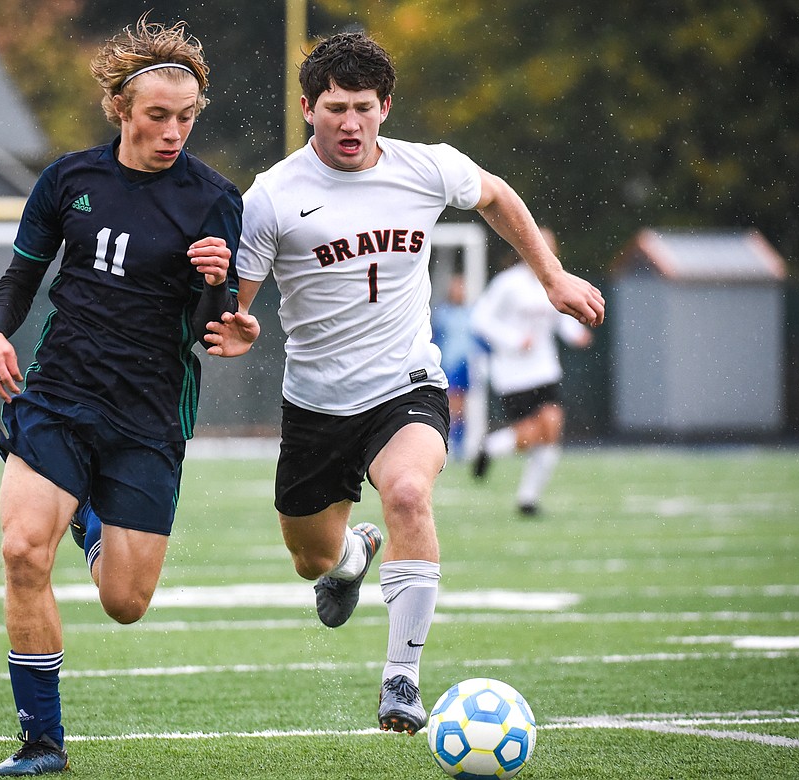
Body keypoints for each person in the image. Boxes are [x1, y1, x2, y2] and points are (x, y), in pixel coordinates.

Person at [204, 32, 604, 736]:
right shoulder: (271, 197)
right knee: (311, 559)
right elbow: (237, 304)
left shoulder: (429, 168)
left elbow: (498, 196)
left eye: (362, 106)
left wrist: (552, 276)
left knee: (411, 493)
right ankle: (353, 554)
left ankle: (402, 681)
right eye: (334, 108)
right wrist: (235, 326)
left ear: (386, 106)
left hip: (406, 384)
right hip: (318, 402)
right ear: (307, 108)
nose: (349, 123)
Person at [0, 16, 242, 776]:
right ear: (121, 110)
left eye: (186, 119)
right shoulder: (69, 180)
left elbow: (206, 329)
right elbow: (19, 278)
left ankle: (88, 514)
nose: (173, 133)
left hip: (148, 414)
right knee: (22, 550)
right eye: (158, 117)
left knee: (125, 602)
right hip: (59, 393)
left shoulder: (216, 200)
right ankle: (41, 745)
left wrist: (216, 285)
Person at [469, 229, 593, 516]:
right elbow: (480, 319)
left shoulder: (556, 283)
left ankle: (528, 500)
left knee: (552, 426)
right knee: (531, 435)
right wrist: (513, 340)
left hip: (545, 370)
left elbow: (561, 319)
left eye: (550, 247)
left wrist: (577, 333)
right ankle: (491, 446)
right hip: (512, 374)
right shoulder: (507, 283)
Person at [431, 273, 474, 459]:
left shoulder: (471, 312)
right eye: (456, 287)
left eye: (461, 287)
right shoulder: (442, 313)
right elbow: (435, 338)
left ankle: (459, 447)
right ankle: (448, 444)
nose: (459, 291)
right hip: (447, 364)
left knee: (460, 408)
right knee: (450, 406)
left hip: (464, 366)